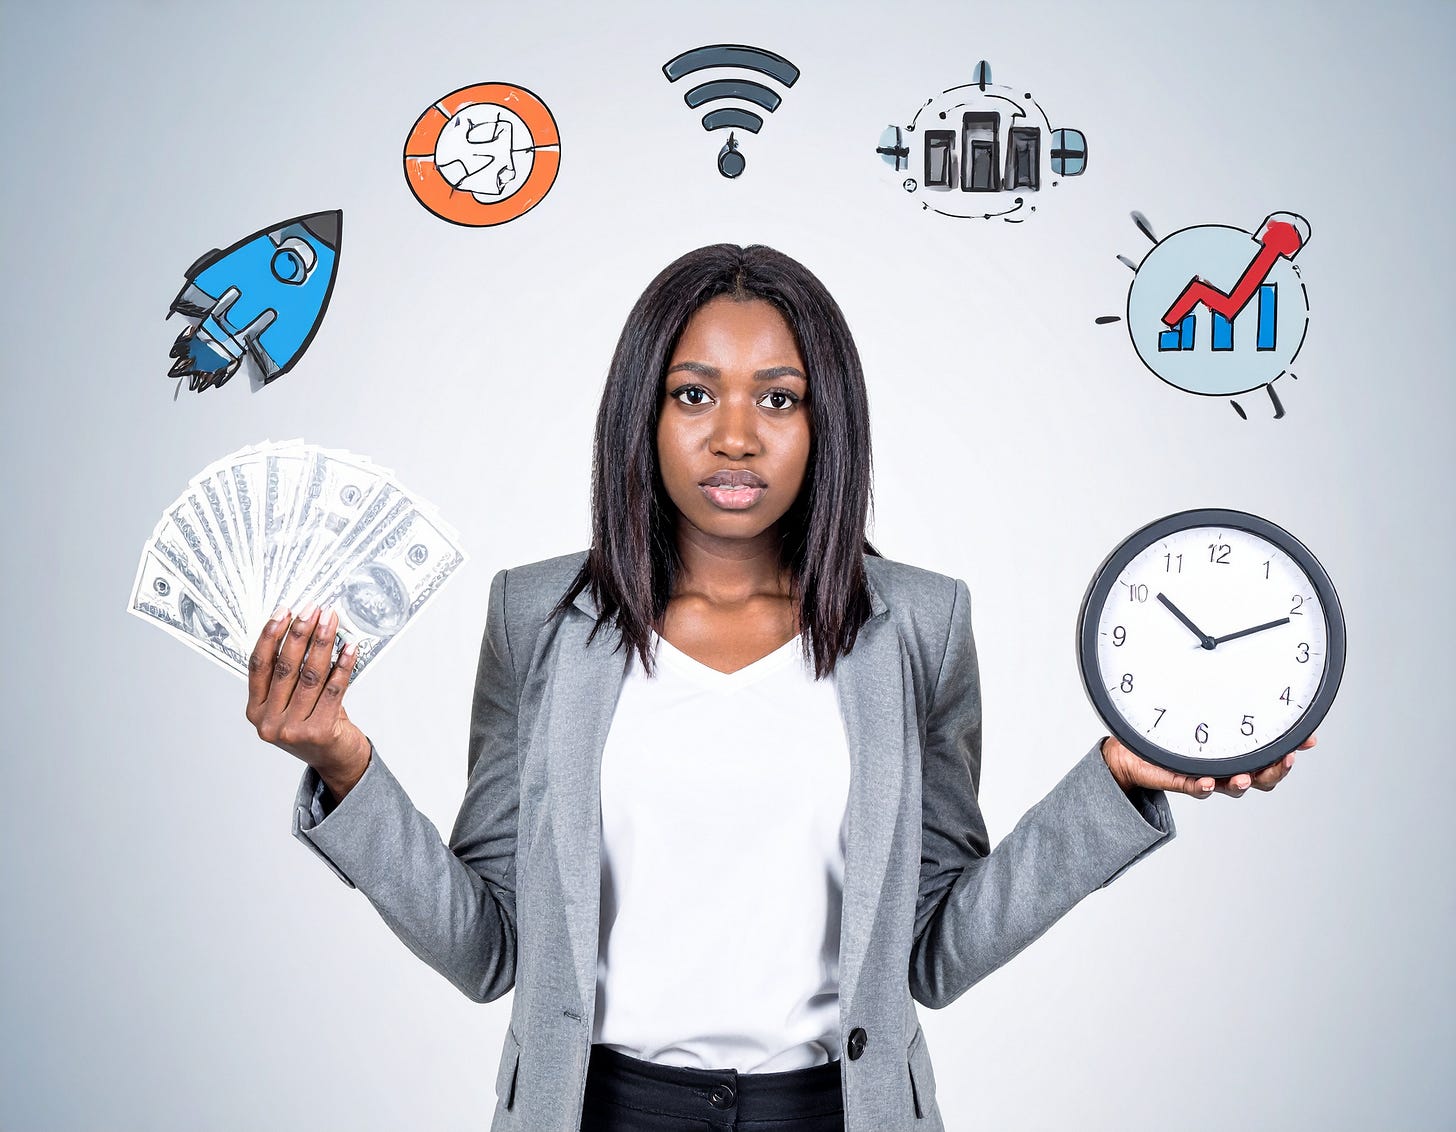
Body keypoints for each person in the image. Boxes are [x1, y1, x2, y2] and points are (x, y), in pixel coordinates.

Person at [245, 244, 1313, 1132]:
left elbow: (930, 953)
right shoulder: (536, 619)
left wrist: (1115, 784)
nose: (736, 434)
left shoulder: (919, 628)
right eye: (694, 393)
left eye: (780, 396)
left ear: (824, 421)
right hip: (599, 1109)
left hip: (834, 1111)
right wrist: (343, 765)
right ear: (643, 413)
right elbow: (490, 949)